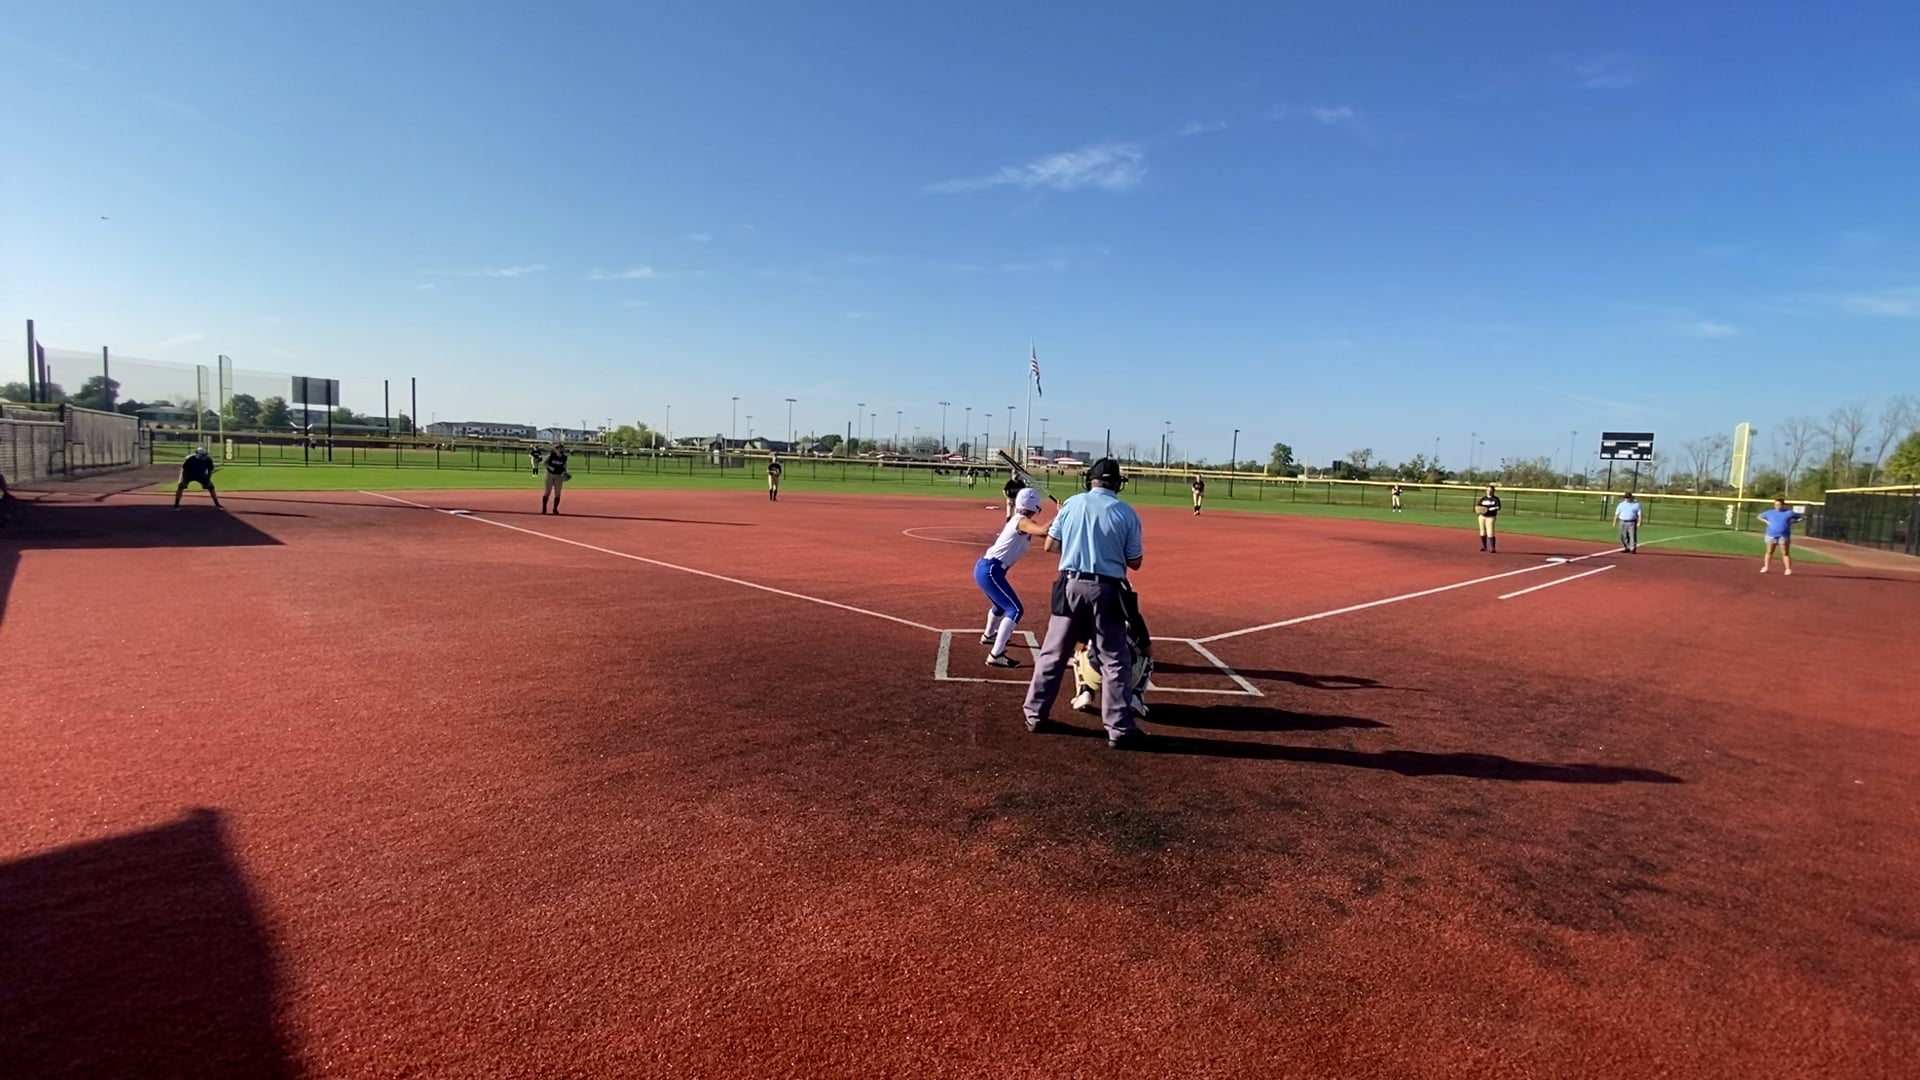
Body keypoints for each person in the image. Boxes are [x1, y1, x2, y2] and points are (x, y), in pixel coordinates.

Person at [1022, 457, 1147, 749]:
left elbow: (1050, 546)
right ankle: (1119, 728)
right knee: (1114, 660)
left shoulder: (1072, 505)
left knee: (1053, 653)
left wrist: (1077, 539)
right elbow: (1135, 562)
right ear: (1117, 484)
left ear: (1089, 480)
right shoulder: (1126, 513)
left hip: (1070, 586)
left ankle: (1035, 714)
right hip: (1107, 590)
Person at [975, 487, 1050, 667]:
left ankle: (989, 635)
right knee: (1015, 610)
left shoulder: (1023, 522)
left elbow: (1047, 534)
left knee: (1000, 606)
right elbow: (1042, 530)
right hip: (991, 570)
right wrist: (1062, 514)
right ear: (1035, 506)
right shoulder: (1021, 521)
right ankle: (996, 654)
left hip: (989, 569)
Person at [1070, 583, 1153, 718]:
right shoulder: (1134, 620)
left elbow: (1079, 645)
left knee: (1080, 650)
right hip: (1125, 677)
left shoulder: (1092, 615)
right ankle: (1136, 696)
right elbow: (1147, 651)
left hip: (1094, 675)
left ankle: (1085, 691)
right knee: (1147, 657)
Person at [1758, 497, 1804, 575]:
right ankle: (1766, 567)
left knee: (1785, 552)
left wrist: (1793, 521)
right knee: (1769, 551)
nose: (1777, 506)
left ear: (1783, 505)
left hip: (1783, 535)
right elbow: (1759, 516)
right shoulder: (1770, 512)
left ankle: (1788, 569)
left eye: (1779, 505)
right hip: (1771, 534)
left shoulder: (1789, 513)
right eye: (1775, 504)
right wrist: (1766, 521)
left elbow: (1801, 518)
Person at [541, 443, 570, 514]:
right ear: (556, 449)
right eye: (559, 448)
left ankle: (555, 509)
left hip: (559, 475)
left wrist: (565, 472)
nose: (561, 450)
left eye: (562, 448)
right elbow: (543, 463)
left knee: (558, 493)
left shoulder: (564, 457)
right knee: (547, 492)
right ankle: (544, 508)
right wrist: (550, 467)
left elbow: (564, 466)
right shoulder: (551, 455)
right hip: (549, 474)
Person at [1475, 483, 1501, 552]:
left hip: (1490, 517)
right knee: (1482, 531)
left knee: (1490, 532)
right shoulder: (1483, 498)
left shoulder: (1495, 499)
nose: (1489, 492)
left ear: (1493, 491)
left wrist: (1489, 509)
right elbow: (1478, 506)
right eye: (1488, 490)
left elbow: (1498, 507)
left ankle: (1493, 548)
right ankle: (1484, 547)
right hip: (1482, 516)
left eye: (1490, 490)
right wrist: (1479, 510)